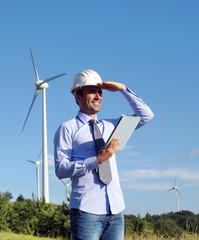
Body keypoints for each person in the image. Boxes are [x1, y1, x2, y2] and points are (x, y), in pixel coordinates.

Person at [54, 69, 154, 240]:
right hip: (86, 210)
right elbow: (61, 169)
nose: (98, 96)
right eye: (92, 91)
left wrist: (123, 89)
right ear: (78, 97)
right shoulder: (67, 128)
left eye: (100, 92)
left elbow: (146, 115)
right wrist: (96, 160)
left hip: (115, 210)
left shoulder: (112, 126)